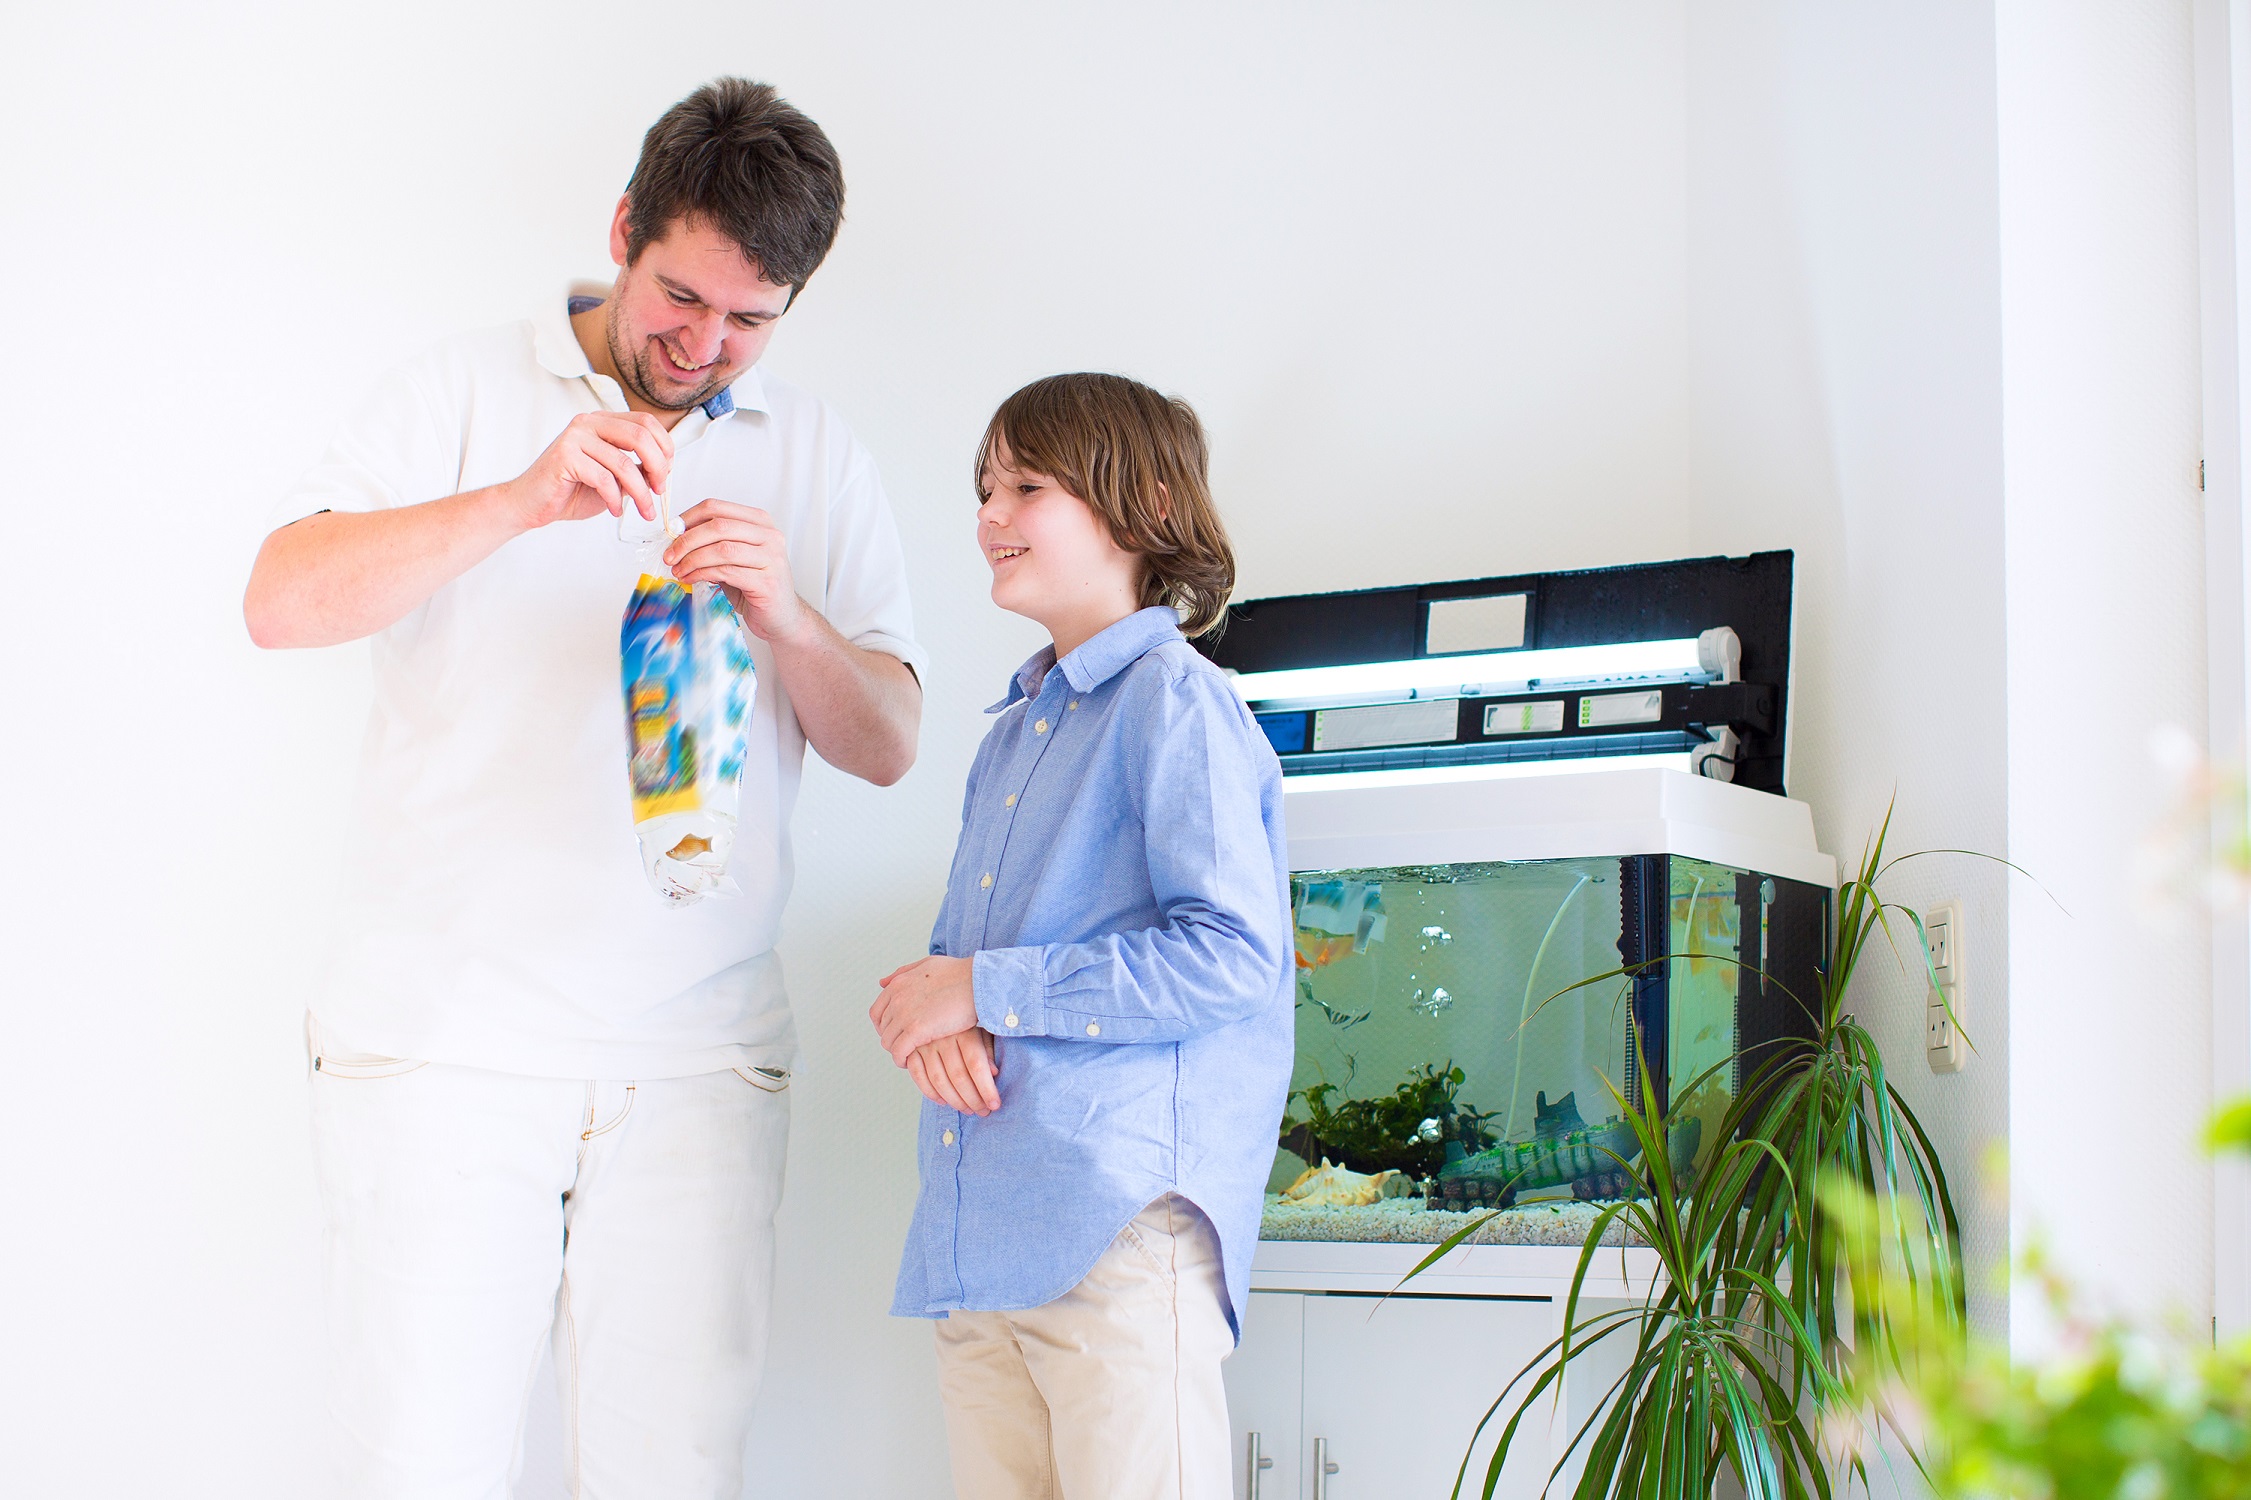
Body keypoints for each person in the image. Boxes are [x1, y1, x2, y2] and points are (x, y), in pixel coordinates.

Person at [242, 79, 926, 1500]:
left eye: (750, 319)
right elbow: (281, 601)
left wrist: (790, 619)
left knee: (674, 1476)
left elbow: (887, 744)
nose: (705, 345)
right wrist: (521, 501)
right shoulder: (455, 390)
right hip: (441, 1046)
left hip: (700, 1062)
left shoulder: (815, 452)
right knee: (418, 1471)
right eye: (680, 297)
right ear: (623, 231)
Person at [870, 373, 1293, 1500]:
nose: (989, 516)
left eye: (1026, 487)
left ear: (1143, 504)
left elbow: (1231, 956)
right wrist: (938, 1018)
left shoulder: (1176, 703)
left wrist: (979, 990)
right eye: (984, 489)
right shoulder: (1012, 737)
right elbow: (959, 975)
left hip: (1115, 1236)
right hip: (985, 1244)